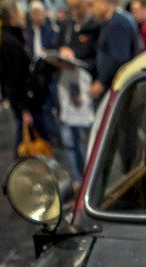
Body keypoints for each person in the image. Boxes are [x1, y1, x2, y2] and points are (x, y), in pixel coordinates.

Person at [0, 0, 48, 149]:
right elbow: (15, 79)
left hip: (27, 101)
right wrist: (24, 109)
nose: (23, 15)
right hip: (27, 103)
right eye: (20, 11)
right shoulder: (11, 43)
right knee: (28, 146)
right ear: (13, 15)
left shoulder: (12, 38)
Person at [56, 0, 99, 178]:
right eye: (71, 8)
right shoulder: (66, 26)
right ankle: (80, 178)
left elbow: (98, 57)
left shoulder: (94, 26)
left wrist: (81, 64)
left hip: (88, 87)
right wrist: (61, 53)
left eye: (78, 7)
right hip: (68, 86)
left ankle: (94, 178)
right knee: (70, 139)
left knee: (92, 137)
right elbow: (53, 46)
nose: (75, 12)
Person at [88, 0, 141, 101]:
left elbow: (120, 59)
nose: (90, 11)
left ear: (104, 4)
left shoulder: (116, 24)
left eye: (92, 6)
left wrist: (102, 81)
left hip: (117, 89)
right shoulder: (107, 24)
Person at [25, 0, 59, 139]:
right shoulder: (27, 33)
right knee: (45, 108)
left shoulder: (51, 31)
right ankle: (53, 136)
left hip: (51, 74)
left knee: (57, 104)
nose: (39, 16)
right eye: (36, 13)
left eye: (41, 12)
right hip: (36, 77)